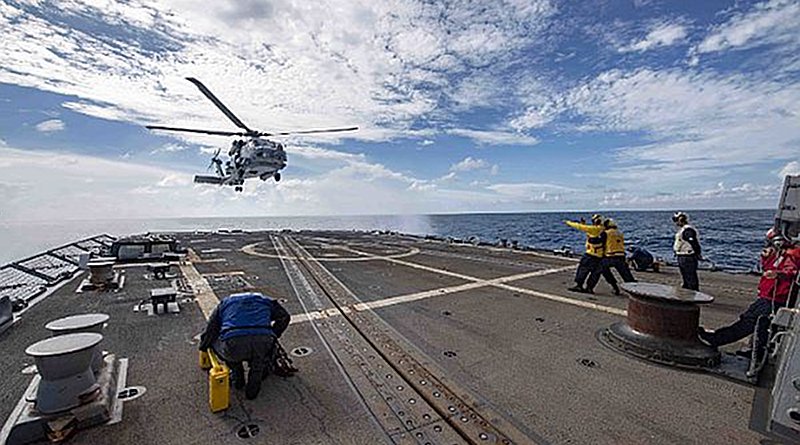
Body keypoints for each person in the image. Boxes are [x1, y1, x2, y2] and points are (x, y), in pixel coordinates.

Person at [699, 229, 799, 348]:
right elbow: (767, 268)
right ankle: (756, 350)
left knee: (750, 323)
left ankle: (717, 339)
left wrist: (778, 274)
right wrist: (766, 257)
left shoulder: (792, 255)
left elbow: (791, 272)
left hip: (775, 297)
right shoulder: (780, 254)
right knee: (758, 324)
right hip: (767, 295)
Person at [199, 292, 291, 399]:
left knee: (224, 349)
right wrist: (274, 334)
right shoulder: (266, 301)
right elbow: (285, 317)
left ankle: (237, 376)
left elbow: (211, 329)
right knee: (258, 360)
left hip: (234, 341)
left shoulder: (225, 303)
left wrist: (204, 346)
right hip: (262, 339)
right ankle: (252, 391)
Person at [586, 218, 636, 295]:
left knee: (598, 271)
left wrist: (591, 237)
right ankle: (635, 290)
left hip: (610, 256)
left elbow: (598, 242)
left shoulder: (606, 233)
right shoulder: (619, 233)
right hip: (621, 256)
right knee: (626, 275)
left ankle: (590, 287)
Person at [565, 214, 607, 293]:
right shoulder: (602, 230)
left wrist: (568, 223)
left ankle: (579, 286)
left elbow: (581, 228)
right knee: (595, 273)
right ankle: (589, 288)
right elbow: (588, 231)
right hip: (599, 256)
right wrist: (583, 224)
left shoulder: (594, 229)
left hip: (590, 255)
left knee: (583, 269)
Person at [672, 212, 702, 290]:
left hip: (688, 256)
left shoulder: (688, 230)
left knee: (690, 276)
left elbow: (694, 242)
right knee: (685, 276)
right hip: (682, 255)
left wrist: (697, 253)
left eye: (676, 220)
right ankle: (687, 290)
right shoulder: (682, 230)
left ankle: (693, 292)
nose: (675, 223)